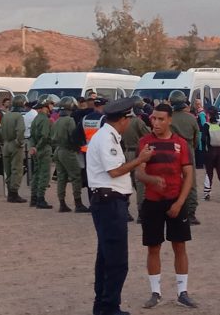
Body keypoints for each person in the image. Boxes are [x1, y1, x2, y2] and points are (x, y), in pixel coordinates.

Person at [85, 97, 156, 315]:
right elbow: (115, 171)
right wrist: (140, 159)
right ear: (123, 119)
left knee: (106, 258)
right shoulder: (107, 138)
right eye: (129, 119)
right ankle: (109, 307)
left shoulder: (108, 136)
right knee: (116, 260)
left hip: (108, 200)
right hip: (109, 202)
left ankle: (103, 306)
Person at [137, 103, 199, 309]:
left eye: (160, 119)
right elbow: (139, 172)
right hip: (152, 203)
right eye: (153, 118)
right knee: (153, 247)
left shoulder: (180, 144)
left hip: (175, 202)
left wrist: (180, 203)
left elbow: (188, 175)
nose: (155, 122)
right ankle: (155, 292)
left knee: (180, 246)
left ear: (170, 120)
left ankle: (182, 292)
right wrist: (152, 180)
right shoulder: (145, 143)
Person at [168, 91, 201, 226]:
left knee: (172, 179)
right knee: (190, 181)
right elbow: (196, 137)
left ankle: (173, 208)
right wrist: (191, 147)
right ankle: (191, 213)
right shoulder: (191, 118)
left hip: (172, 150)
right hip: (188, 150)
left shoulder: (169, 118)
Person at [53, 97, 90, 213]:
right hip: (68, 151)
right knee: (76, 177)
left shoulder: (58, 120)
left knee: (61, 178)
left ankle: (62, 203)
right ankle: (78, 203)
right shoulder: (69, 120)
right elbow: (73, 137)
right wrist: (79, 147)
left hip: (58, 150)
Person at [122, 96, 152, 220]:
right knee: (140, 184)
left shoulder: (123, 121)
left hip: (125, 153)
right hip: (137, 153)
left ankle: (125, 210)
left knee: (125, 183)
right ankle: (141, 212)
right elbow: (148, 136)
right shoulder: (137, 121)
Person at [29, 95, 57, 209]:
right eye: (51, 104)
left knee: (36, 174)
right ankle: (41, 199)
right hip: (44, 149)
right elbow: (45, 136)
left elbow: (31, 136)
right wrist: (38, 147)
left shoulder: (36, 118)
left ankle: (34, 198)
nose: (52, 106)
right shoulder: (45, 120)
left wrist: (33, 147)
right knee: (44, 174)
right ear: (46, 106)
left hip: (36, 149)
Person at [1, 94, 28, 203]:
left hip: (6, 144)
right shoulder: (18, 116)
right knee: (17, 169)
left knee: (8, 169)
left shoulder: (6, 115)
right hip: (15, 144)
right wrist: (20, 142)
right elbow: (20, 130)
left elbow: (1, 129)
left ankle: (9, 192)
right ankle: (14, 193)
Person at [201, 106, 220, 203]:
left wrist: (204, 150)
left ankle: (206, 193)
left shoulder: (206, 125)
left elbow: (203, 139)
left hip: (210, 151)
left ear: (208, 115)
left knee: (209, 172)